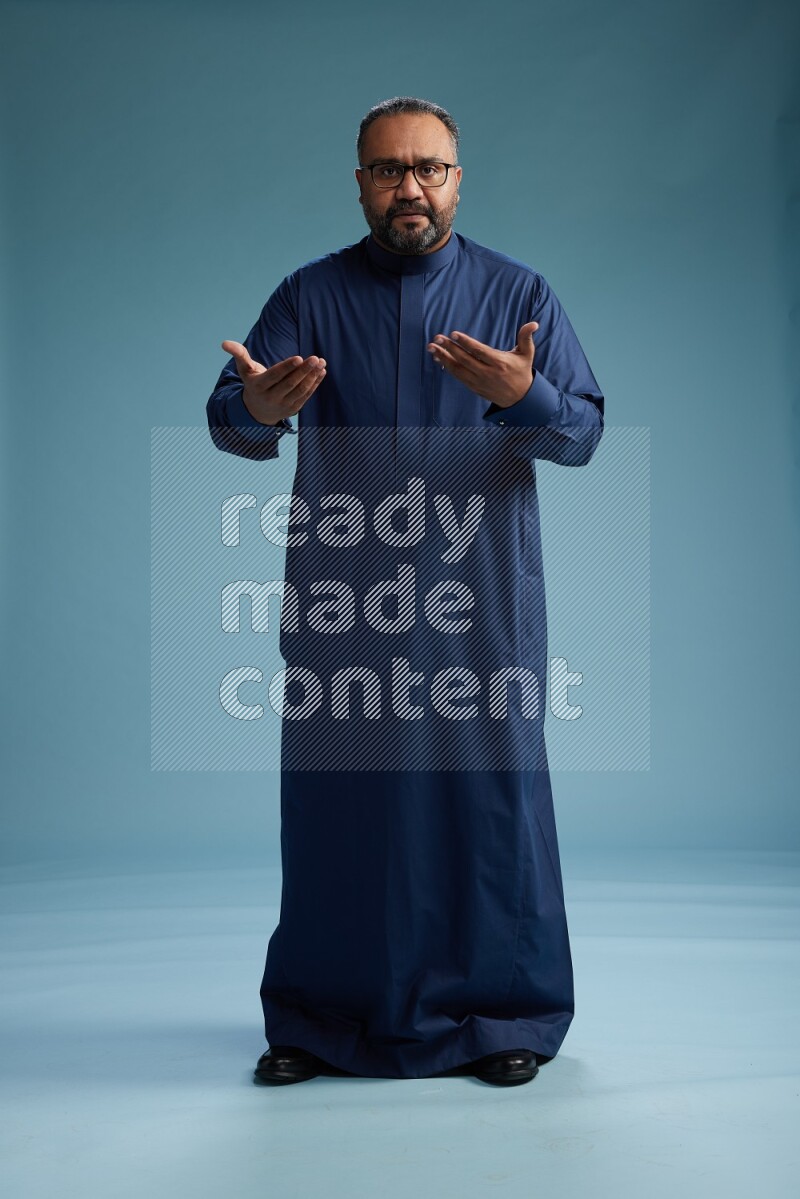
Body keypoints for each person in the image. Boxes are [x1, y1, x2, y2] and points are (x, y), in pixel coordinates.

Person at [206, 96, 604, 1087]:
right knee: (339, 806)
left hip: (479, 607)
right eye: (388, 170)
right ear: (359, 183)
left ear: (457, 181)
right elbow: (235, 414)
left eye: (428, 168)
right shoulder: (309, 293)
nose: (409, 187)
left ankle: (501, 1009)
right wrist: (255, 407)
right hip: (346, 606)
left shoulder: (519, 293)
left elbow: (584, 432)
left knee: (486, 807)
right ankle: (318, 1015)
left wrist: (526, 396)